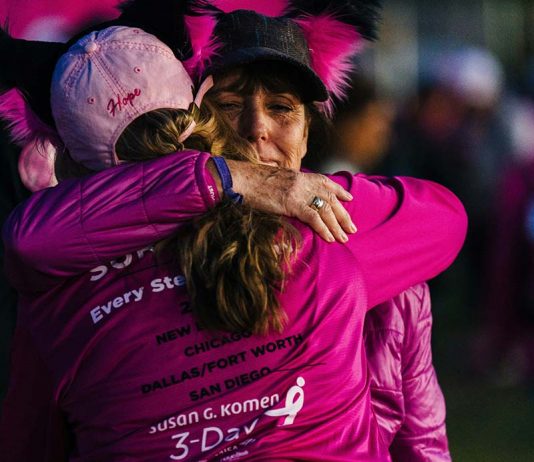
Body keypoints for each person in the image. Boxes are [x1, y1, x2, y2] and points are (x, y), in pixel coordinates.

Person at [0, 7, 466, 462]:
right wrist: (228, 179)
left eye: (282, 108)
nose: (257, 126)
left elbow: (420, 427)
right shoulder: (65, 270)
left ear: (308, 131)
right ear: (195, 119)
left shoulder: (340, 224)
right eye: (227, 105)